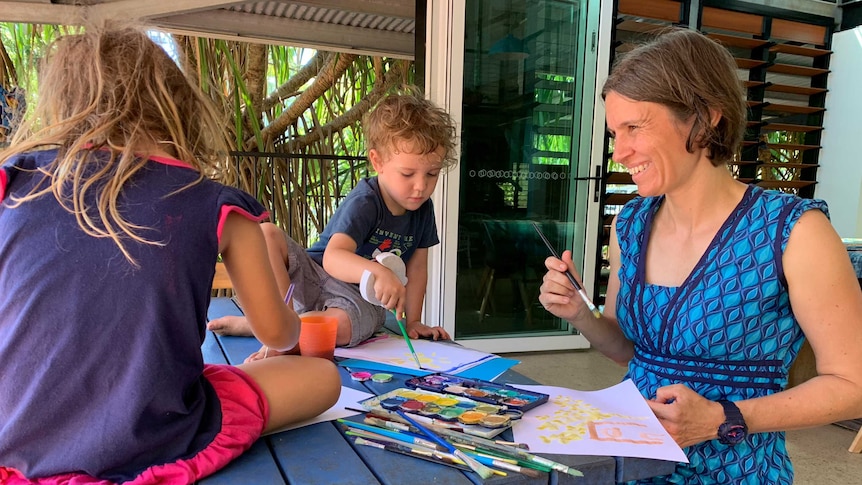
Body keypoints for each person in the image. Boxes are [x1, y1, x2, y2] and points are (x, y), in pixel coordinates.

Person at [0, 24, 341, 484]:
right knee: (324, 380)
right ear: (177, 107)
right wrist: (293, 326)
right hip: (153, 438)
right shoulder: (215, 203)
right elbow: (279, 337)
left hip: (13, 447)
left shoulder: (12, 183)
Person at [539, 28, 862, 483]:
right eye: (615, 132)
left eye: (635, 127)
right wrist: (580, 314)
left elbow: (853, 386)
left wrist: (721, 417)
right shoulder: (630, 224)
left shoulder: (793, 230)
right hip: (630, 464)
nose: (620, 152)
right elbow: (633, 353)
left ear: (704, 119)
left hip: (736, 471)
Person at [208, 92, 456, 360]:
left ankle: (275, 331)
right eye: (408, 174)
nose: (421, 186)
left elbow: (418, 267)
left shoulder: (423, 210)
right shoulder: (367, 200)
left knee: (341, 328)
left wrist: (414, 321)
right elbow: (333, 258)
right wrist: (377, 272)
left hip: (358, 300)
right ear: (378, 162)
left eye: (432, 173)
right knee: (266, 233)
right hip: (313, 273)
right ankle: (278, 325)